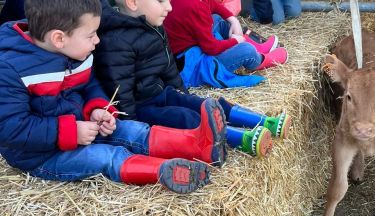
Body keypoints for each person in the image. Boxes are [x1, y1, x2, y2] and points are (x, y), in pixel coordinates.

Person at [0, 0, 231, 194]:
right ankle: (164, 171)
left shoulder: (73, 50)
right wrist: (71, 131)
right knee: (106, 156)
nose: (97, 41)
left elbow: (90, 84)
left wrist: (98, 108)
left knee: (132, 130)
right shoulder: (10, 69)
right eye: (91, 35)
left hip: (84, 127)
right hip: (42, 155)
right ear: (59, 38)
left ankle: (198, 146)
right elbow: (12, 128)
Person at [94, 0, 291, 158]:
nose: (169, 7)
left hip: (161, 93)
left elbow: (169, 67)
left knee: (207, 104)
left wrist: (183, 94)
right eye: (162, 1)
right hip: (142, 108)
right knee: (188, 118)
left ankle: (266, 122)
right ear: (133, 3)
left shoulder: (153, 25)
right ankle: (244, 138)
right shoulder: (116, 41)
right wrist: (132, 128)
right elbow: (120, 92)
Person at [163, 0, 288, 82]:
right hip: (192, 64)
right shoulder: (194, 6)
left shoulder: (195, 3)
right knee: (246, 50)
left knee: (216, 19)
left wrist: (233, 19)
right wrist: (234, 41)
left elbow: (211, 4)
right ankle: (259, 59)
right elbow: (210, 48)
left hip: (191, 47)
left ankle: (255, 46)